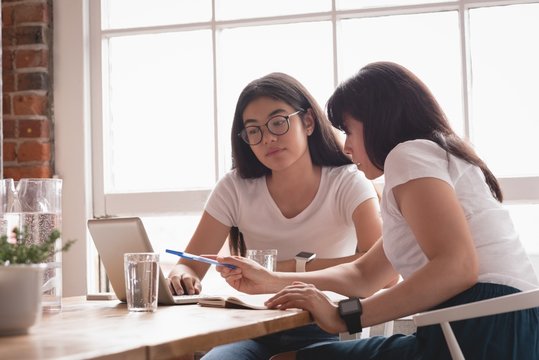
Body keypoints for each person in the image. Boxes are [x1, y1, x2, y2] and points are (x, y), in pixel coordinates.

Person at [215, 62, 539, 359]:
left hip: (481, 330)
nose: (346, 146)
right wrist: (272, 279)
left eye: (349, 131)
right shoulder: (431, 159)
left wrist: (344, 315)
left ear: (378, 121)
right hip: (501, 328)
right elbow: (363, 274)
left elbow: (456, 267)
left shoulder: (408, 155)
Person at [167, 72, 383, 359]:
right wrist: (181, 276)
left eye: (278, 123)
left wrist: (288, 269)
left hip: (327, 326)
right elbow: (190, 265)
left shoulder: (348, 181)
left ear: (307, 122)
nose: (268, 137)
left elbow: (379, 269)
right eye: (254, 130)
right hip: (252, 326)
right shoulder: (235, 187)